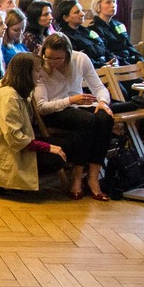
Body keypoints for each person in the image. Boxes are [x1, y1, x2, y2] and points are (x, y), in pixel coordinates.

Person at [0, 53, 68, 197]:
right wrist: (48, 147)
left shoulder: (13, 87)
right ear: (25, 73)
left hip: (6, 144)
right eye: (37, 70)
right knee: (56, 157)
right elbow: (15, 138)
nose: (41, 75)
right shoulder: (8, 96)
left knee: (66, 146)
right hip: (0, 150)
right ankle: (4, 183)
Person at [34, 32, 114, 201]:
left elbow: (98, 87)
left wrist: (102, 102)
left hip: (78, 105)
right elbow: (42, 107)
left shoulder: (80, 59)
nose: (52, 62)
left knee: (105, 117)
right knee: (88, 121)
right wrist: (70, 100)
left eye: (58, 58)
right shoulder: (39, 66)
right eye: (48, 57)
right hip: (54, 109)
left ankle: (93, 176)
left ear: (68, 55)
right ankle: (77, 176)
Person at [87, 0, 142, 67]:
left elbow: (128, 46)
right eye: (108, 2)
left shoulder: (119, 25)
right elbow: (104, 52)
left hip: (127, 61)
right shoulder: (93, 28)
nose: (113, 5)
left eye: (114, 2)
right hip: (114, 64)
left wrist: (139, 58)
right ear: (98, 6)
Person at [55, 0, 114, 69]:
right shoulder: (65, 38)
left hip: (105, 66)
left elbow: (102, 46)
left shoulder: (87, 31)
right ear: (66, 18)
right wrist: (102, 64)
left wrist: (112, 59)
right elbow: (78, 60)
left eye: (81, 10)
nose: (82, 14)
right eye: (77, 12)